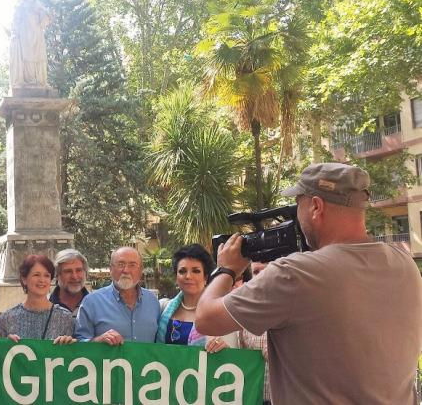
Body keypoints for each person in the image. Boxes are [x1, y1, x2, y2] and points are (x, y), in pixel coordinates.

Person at [196, 162, 422, 404]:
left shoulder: (296, 274)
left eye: (298, 206)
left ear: (316, 206)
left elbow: (206, 319)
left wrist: (226, 268)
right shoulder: (404, 264)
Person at [156, 244, 234, 352]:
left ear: (206, 277)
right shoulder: (162, 308)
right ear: (176, 278)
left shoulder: (219, 313)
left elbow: (233, 358)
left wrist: (224, 348)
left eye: (196, 271)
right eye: (182, 271)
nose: (188, 276)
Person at [75, 246, 159, 344]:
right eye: (120, 264)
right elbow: (79, 344)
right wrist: (98, 341)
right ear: (111, 269)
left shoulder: (153, 302)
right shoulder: (91, 302)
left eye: (132, 265)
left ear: (140, 270)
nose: (126, 270)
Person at [0, 255, 74, 343]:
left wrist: (69, 344)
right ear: (24, 279)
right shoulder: (6, 319)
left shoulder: (65, 318)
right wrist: (5, 344)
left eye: (46, 276)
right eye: (36, 275)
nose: (42, 280)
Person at [236, 262, 271, 405]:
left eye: (268, 269)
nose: (262, 275)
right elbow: (241, 358)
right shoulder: (244, 312)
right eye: (256, 271)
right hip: (254, 397)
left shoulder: (299, 307)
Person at [9, 0, 50, 88]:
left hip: (37, 33)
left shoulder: (38, 4)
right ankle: (30, 81)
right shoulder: (21, 5)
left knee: (40, 56)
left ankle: (40, 81)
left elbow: (47, 16)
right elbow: (15, 20)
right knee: (28, 56)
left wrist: (44, 17)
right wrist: (15, 31)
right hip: (25, 34)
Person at [49, 248, 90, 317]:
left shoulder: (98, 305)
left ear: (85, 273)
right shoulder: (44, 307)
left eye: (79, 270)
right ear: (57, 275)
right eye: (68, 271)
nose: (74, 276)